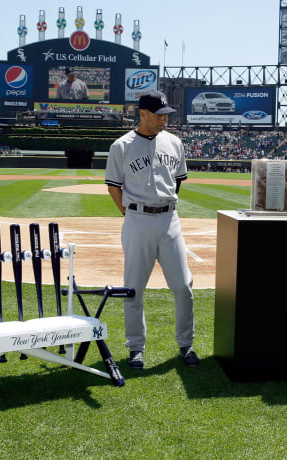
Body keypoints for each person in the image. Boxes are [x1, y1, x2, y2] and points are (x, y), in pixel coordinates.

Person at [105, 90, 198, 369]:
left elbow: (178, 180)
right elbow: (113, 186)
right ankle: (136, 347)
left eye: (166, 115)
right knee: (134, 288)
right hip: (137, 221)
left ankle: (186, 344)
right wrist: (131, 213)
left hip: (170, 220)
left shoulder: (174, 142)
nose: (163, 120)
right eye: (158, 115)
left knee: (183, 286)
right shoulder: (121, 146)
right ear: (142, 113)